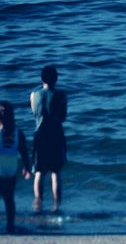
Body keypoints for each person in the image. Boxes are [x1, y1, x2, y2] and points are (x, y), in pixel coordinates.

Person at [30, 63, 67, 211]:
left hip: (39, 134)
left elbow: (34, 113)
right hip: (56, 134)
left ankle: (38, 204)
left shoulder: (34, 95)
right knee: (55, 172)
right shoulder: (61, 95)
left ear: (41, 79)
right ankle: (56, 206)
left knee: (39, 172)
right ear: (56, 79)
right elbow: (63, 116)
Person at [0, 101, 32, 234]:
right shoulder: (19, 133)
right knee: (9, 198)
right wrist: (27, 168)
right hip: (12, 166)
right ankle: (10, 226)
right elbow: (24, 153)